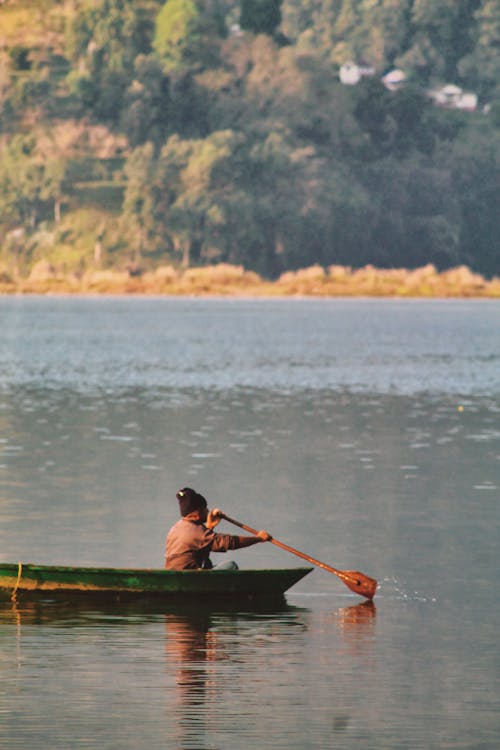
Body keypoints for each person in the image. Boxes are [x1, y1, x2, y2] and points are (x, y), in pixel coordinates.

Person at [165, 487, 271, 571]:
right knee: (231, 565)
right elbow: (229, 543)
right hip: (190, 577)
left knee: (209, 565)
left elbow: (200, 542)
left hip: (177, 572)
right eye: (205, 509)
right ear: (197, 513)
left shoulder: (176, 528)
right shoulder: (197, 532)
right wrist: (258, 538)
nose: (208, 511)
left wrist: (210, 525)